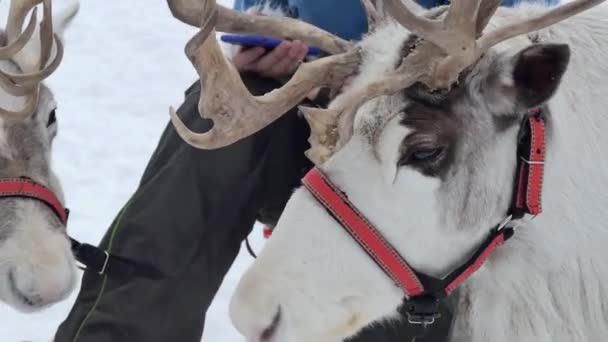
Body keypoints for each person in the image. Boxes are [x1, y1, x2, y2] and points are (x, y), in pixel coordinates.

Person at [54, 0, 558, 341]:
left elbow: (542, 28)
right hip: (306, 100)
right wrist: (259, 42)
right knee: (220, 113)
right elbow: (268, 8)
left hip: (436, 113)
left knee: (430, 169)